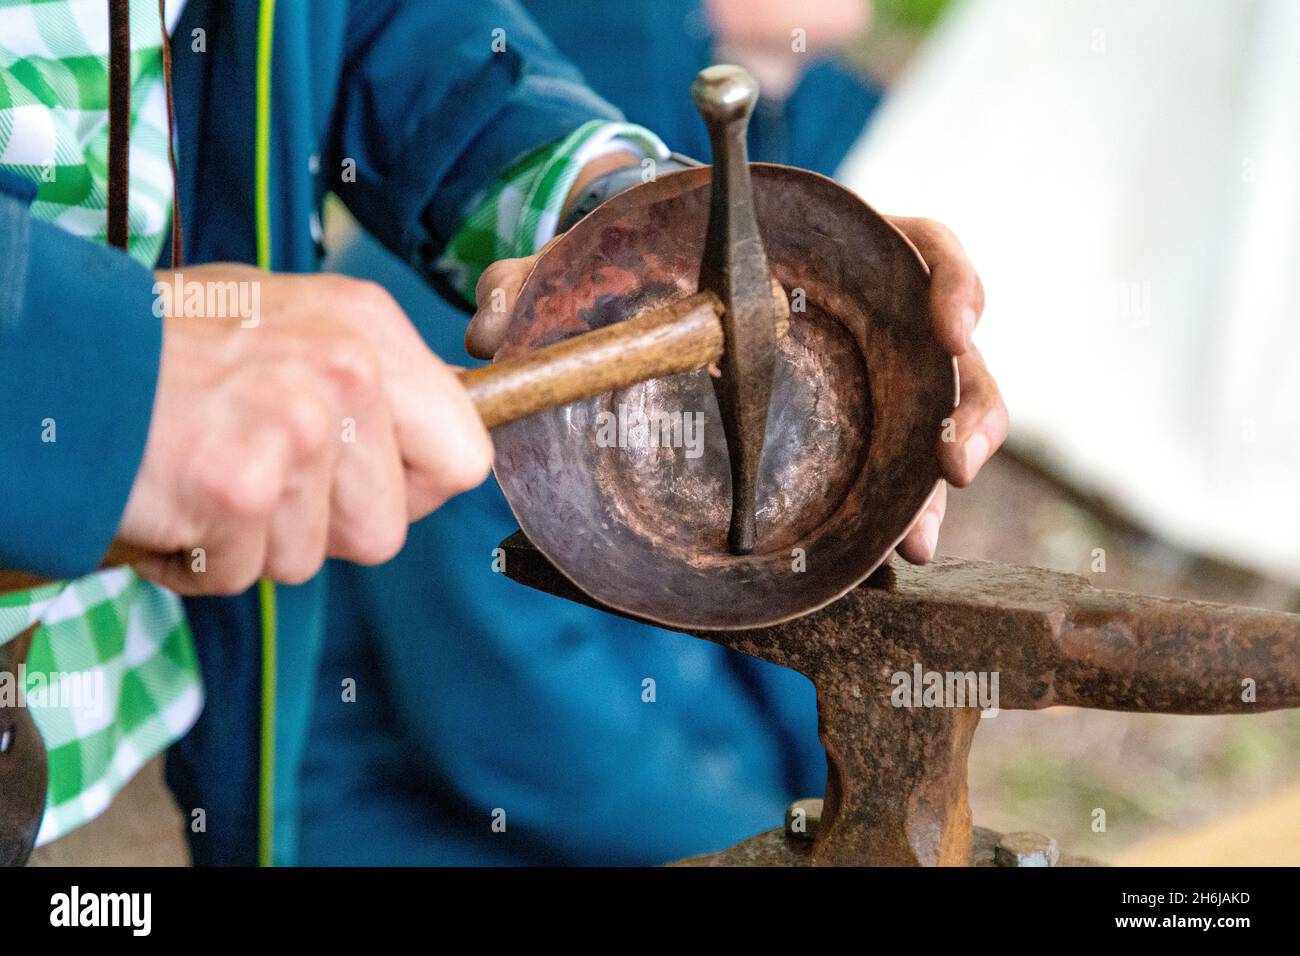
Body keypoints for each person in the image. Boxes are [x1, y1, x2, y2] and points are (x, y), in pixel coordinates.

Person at [0, 0, 1006, 864]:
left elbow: (363, 18)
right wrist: (87, 368)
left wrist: (616, 217)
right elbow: (524, 739)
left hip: (100, 716)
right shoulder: (421, 339)